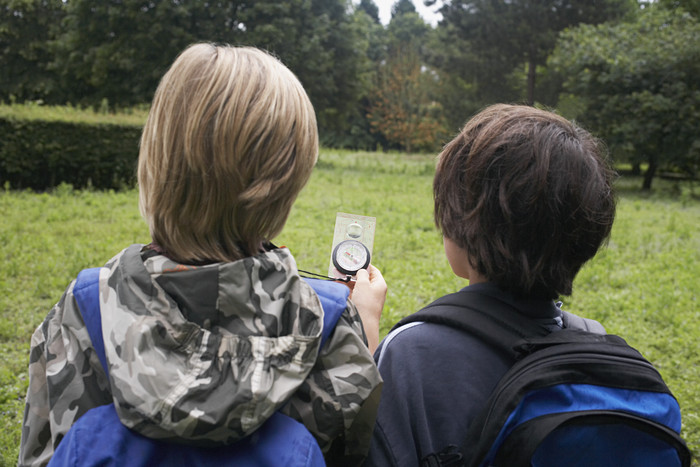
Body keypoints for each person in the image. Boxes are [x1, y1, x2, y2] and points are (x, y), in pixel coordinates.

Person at [19, 43, 386, 467]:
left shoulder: (84, 310)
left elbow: (43, 456)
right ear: (289, 182)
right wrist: (364, 335)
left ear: (155, 160)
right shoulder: (325, 323)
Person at [364, 104, 617, 466]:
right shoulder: (592, 347)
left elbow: (367, 446)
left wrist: (367, 332)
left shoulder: (411, 352)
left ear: (458, 226)